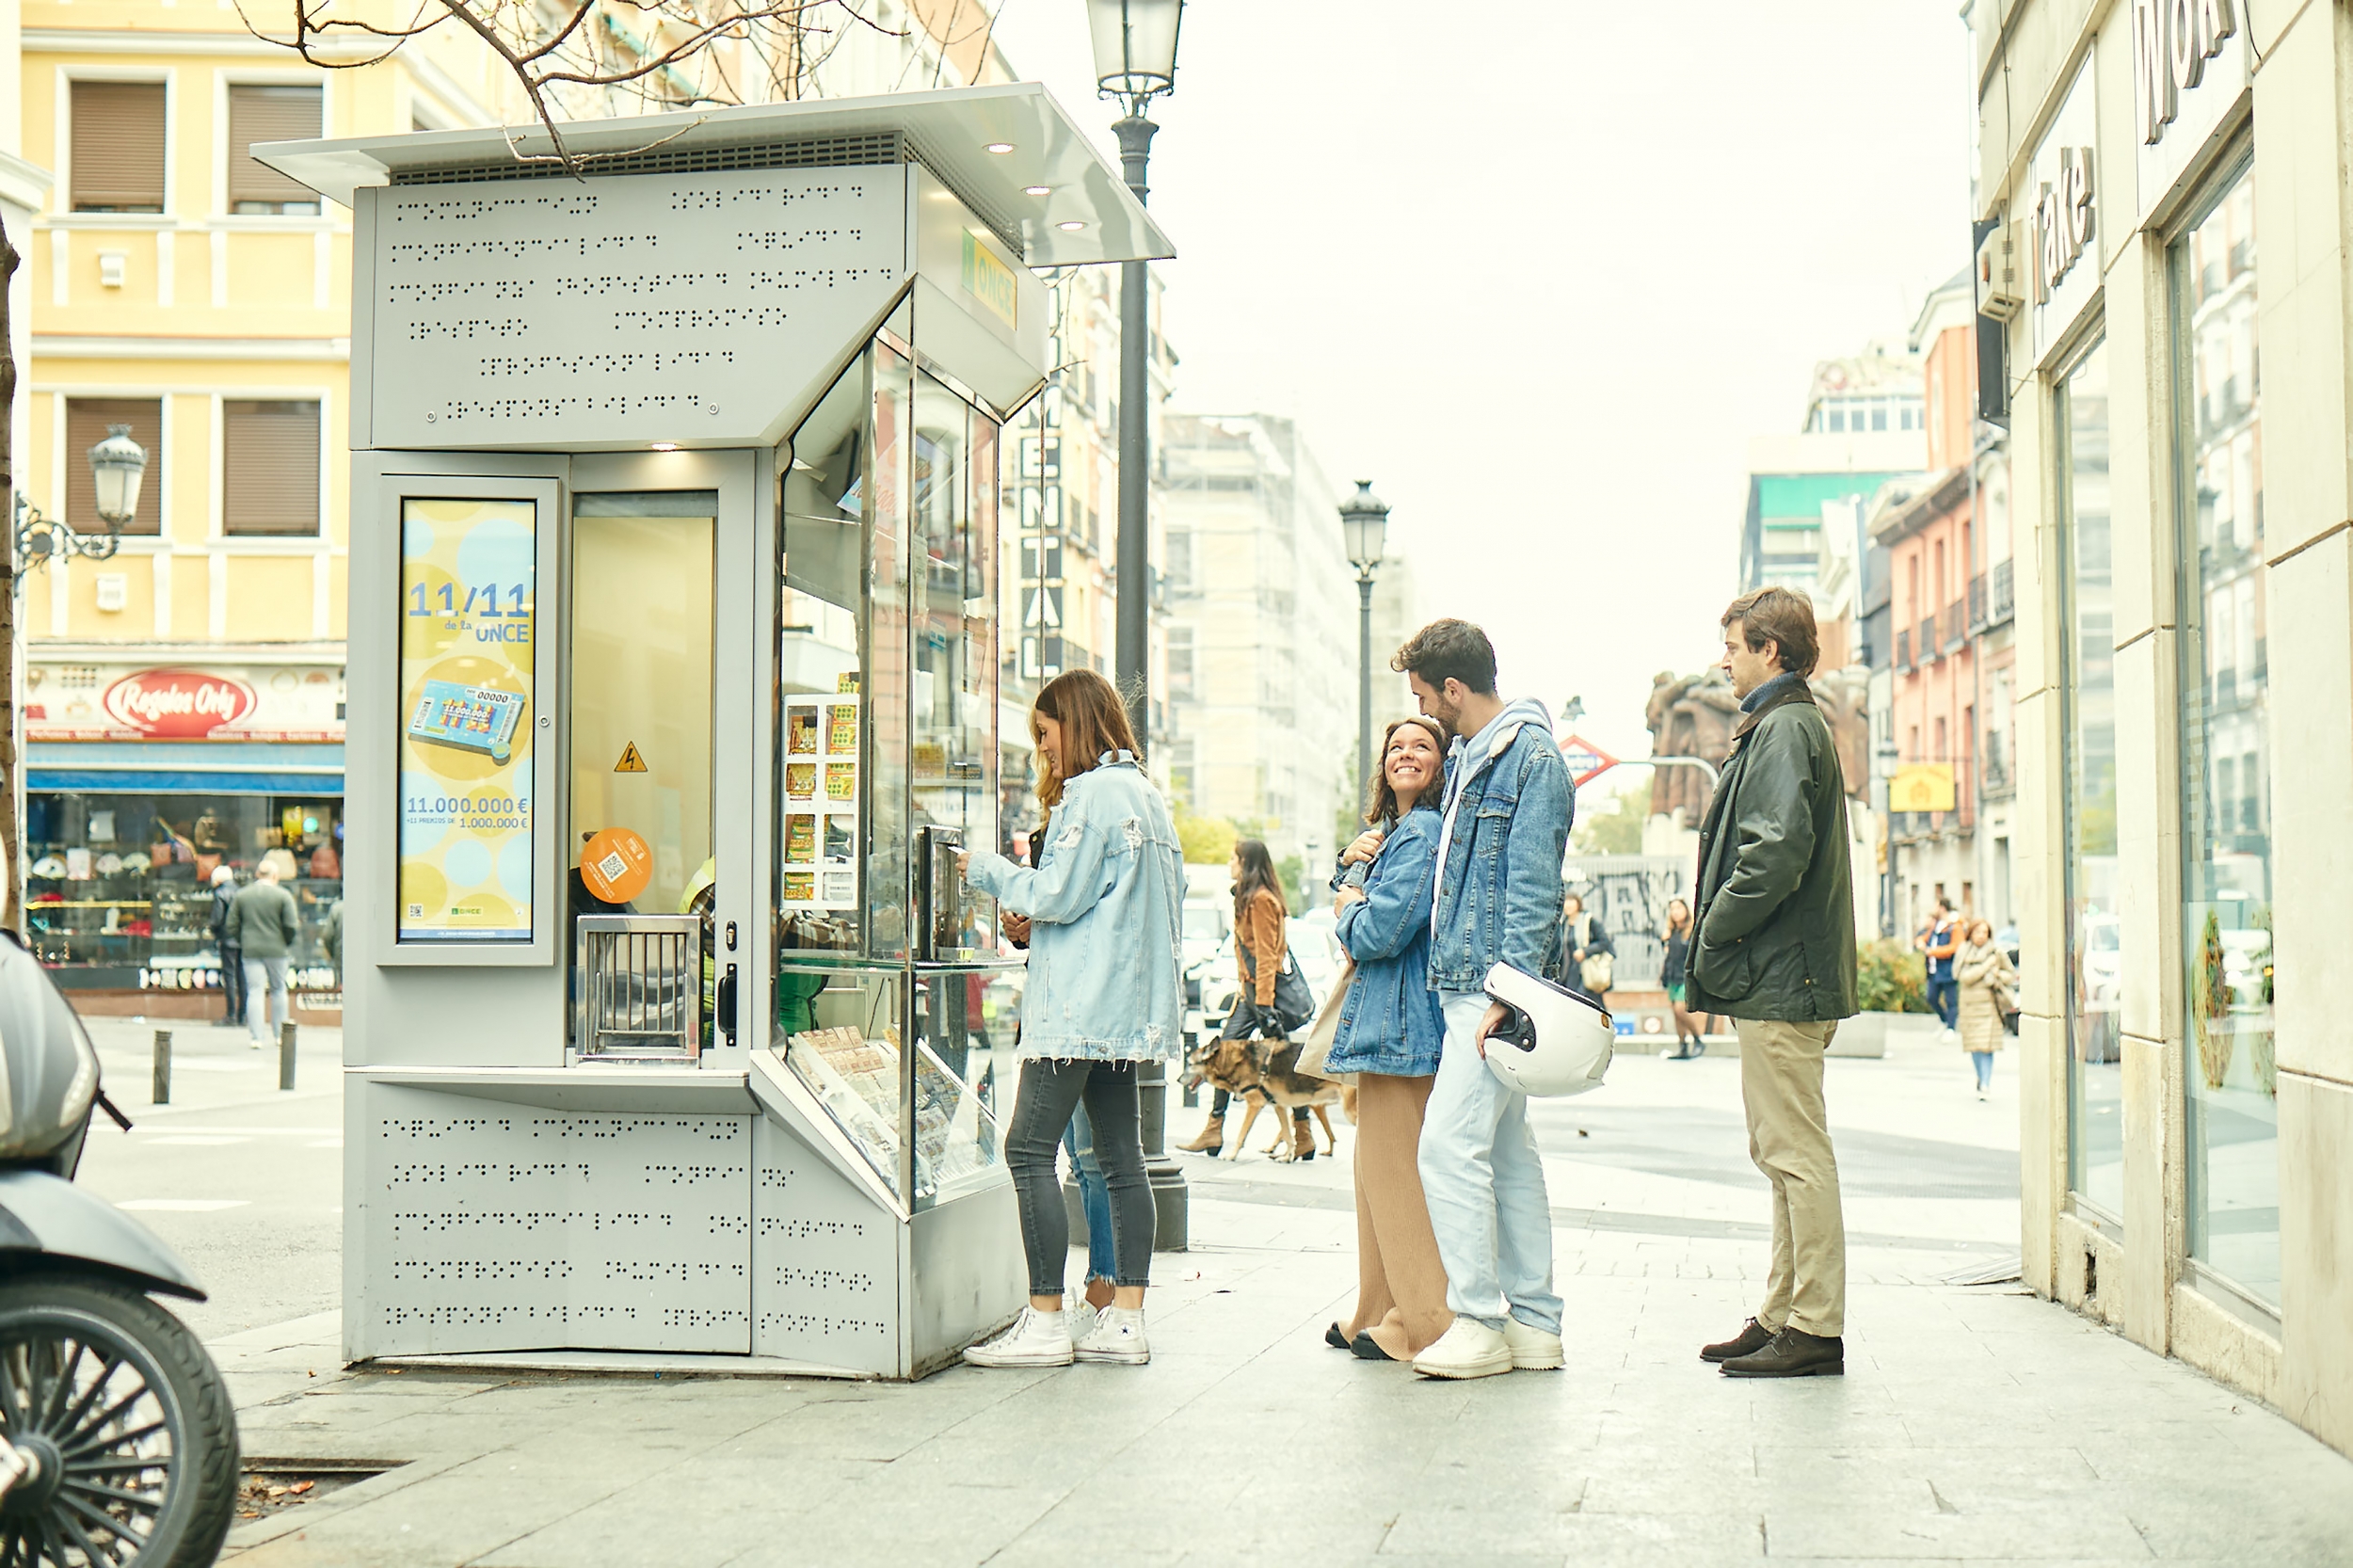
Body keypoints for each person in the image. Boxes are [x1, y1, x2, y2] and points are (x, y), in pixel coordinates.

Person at [958, 667, 1184, 1368]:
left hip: (1076, 1010)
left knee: (1027, 1150)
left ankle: (1047, 1319)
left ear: (1076, 724)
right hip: (1123, 1014)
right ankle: (1126, 1320)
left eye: (1047, 734)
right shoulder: (1148, 797)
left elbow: (1056, 893)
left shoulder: (1091, 796)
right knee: (1122, 1160)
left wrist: (986, 869)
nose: (1043, 750)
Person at [1365, 619, 1572, 1380]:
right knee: (1510, 1159)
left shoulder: (1530, 759)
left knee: (1447, 1148)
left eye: (1426, 697)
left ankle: (1481, 1323)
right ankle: (1536, 1326)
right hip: (1467, 987)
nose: (1425, 711)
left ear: (1455, 689)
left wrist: (1507, 994)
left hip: (1487, 994)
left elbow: (1533, 888)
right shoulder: (1477, 761)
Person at [1687, 586, 1859, 1379]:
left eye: (1733, 645)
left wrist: (1713, 924)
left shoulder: (1786, 727)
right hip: (1782, 977)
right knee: (1780, 1151)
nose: (1723, 659)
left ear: (1771, 651)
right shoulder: (1784, 724)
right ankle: (1784, 1313)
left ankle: (1814, 1325)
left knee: (1795, 1154)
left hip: (1783, 978)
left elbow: (1775, 849)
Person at [1324, 715, 1452, 1362]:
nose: (1407, 754)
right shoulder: (1392, 833)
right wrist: (1348, 875)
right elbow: (1355, 897)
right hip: (1386, 1022)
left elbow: (1380, 932)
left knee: (1396, 1175)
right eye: (1397, 747)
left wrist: (1347, 907)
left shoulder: (1423, 831)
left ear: (1440, 764)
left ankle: (1421, 1321)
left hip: (1402, 1025)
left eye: (1422, 746)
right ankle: (1375, 1310)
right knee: (1373, 1173)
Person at [225, 861, 301, 1048]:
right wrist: (285, 941)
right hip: (277, 950)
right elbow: (291, 925)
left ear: (258, 874)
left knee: (255, 991)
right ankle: (280, 1035)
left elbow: (231, 924)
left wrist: (244, 940)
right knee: (278, 990)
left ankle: (256, 1037)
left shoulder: (243, 895)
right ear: (275, 876)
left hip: (251, 950)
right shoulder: (283, 895)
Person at [1954, 919, 2015, 1099]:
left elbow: (2010, 975)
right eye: (1978, 932)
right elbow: (1963, 977)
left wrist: (1997, 975)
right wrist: (1986, 967)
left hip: (1989, 1006)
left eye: (1985, 932)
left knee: (1988, 1046)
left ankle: (1986, 1084)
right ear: (1971, 933)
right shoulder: (1963, 952)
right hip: (1969, 1006)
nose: (1981, 936)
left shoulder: (1996, 953)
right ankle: (1981, 1077)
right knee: (1974, 1045)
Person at [1662, 896, 1705, 1059]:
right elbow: (1668, 956)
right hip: (1672, 976)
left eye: (1679, 908)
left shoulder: (1691, 931)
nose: (1675, 912)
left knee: (1681, 1010)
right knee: (1675, 1012)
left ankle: (1698, 1039)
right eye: (1672, 909)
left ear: (1686, 910)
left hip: (1686, 976)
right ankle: (1682, 1046)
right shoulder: (1672, 933)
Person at [1556, 891, 1616, 1004]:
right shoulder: (1564, 925)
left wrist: (1585, 952)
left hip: (1588, 972)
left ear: (1578, 904)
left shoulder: (1589, 921)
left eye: (1571, 901)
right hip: (1569, 974)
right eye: (1566, 902)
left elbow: (1605, 942)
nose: (1568, 905)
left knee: (1591, 1004)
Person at [207, 866, 248, 1031]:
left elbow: (216, 919)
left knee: (229, 977)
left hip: (227, 940)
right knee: (242, 977)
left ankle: (231, 1015)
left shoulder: (220, 894)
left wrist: (215, 933)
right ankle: (242, 1015)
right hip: (243, 940)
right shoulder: (242, 892)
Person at [1920, 898, 1960, 1035]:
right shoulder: (1937, 925)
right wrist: (1921, 943)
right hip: (1934, 969)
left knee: (1951, 1000)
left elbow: (1955, 947)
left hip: (1948, 969)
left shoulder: (1954, 925)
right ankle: (1944, 1020)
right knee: (1931, 997)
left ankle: (1951, 1027)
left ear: (1942, 907)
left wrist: (1934, 952)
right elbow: (1925, 937)